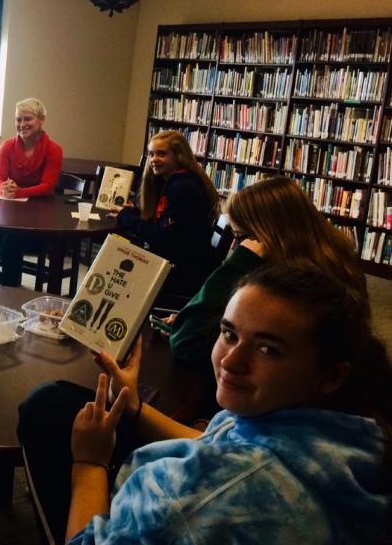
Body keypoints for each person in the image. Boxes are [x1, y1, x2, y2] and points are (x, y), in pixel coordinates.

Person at [22, 266, 391, 545]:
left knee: (44, 412)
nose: (231, 361)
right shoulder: (352, 432)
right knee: (57, 402)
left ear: (331, 374)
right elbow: (215, 442)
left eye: (267, 349)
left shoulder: (198, 499)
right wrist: (133, 406)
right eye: (229, 334)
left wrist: (89, 463)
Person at [156, 175, 368, 418]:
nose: (234, 249)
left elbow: (186, 343)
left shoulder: (290, 290)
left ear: (265, 237)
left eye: (238, 238)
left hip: (253, 411)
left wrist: (239, 263)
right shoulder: (331, 263)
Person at [110, 130, 220, 296]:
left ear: (179, 156)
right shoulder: (176, 182)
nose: (154, 160)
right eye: (151, 154)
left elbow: (163, 238)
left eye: (161, 154)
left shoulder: (184, 189)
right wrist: (137, 213)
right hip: (180, 262)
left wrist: (127, 218)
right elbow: (168, 225)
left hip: (182, 274)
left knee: (114, 270)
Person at [0, 97, 63, 286]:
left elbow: (47, 185)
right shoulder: (7, 146)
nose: (22, 124)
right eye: (18, 120)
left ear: (41, 120)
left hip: (38, 219)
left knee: (10, 242)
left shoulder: (54, 150)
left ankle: (8, 292)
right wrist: (4, 190)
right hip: (9, 213)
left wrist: (19, 192)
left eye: (27, 119)